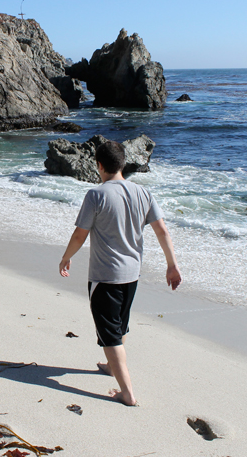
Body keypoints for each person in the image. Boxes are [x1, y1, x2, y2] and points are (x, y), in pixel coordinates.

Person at [59, 140, 182, 406]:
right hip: (132, 275)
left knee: (110, 334)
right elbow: (163, 230)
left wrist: (66, 257)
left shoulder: (97, 194)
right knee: (120, 324)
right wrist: (171, 264)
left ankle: (127, 392)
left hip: (105, 276)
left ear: (99, 165)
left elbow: (80, 234)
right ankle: (110, 365)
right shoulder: (142, 192)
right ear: (122, 164)